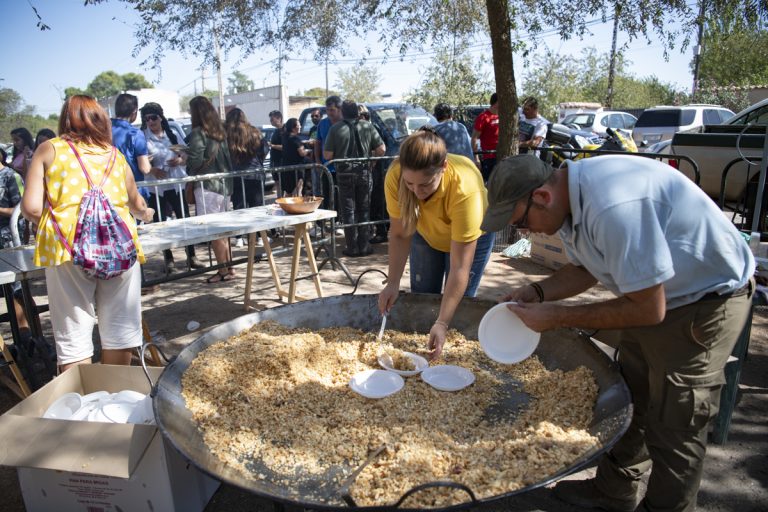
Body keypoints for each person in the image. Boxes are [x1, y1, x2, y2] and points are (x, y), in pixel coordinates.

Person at [480, 154, 755, 512]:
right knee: (634, 394)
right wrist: (538, 293)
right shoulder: (568, 201)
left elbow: (648, 310)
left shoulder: (613, 207)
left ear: (542, 197)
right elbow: (587, 268)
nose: (524, 233)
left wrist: (558, 317)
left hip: (705, 299)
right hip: (657, 294)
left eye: (520, 223)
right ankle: (614, 492)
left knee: (675, 422)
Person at [21, 95, 155, 372]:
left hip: (67, 247)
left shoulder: (49, 149)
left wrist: (60, 221)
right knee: (120, 326)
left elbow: (31, 208)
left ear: (65, 119)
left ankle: (81, 405)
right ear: (101, 121)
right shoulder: (114, 155)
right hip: (120, 247)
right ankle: (115, 396)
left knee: (74, 332)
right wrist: (146, 214)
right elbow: (138, 205)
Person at [377, 130, 495, 359]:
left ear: (443, 166)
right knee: (423, 294)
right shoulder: (395, 175)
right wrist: (392, 283)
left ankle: (452, 353)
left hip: (470, 238)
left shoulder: (465, 188)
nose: (417, 192)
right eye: (410, 183)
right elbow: (400, 234)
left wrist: (442, 321)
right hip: (426, 230)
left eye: (426, 185)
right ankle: (420, 352)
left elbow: (460, 267)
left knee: (458, 304)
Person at [140, 102, 204, 272]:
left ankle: (191, 256)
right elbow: (139, 161)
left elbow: (186, 154)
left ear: (160, 117)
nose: (151, 121)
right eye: (147, 119)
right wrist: (152, 168)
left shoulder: (172, 134)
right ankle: (169, 260)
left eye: (153, 117)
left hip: (176, 185)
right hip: (156, 188)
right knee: (160, 224)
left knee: (183, 220)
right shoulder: (142, 136)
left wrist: (180, 160)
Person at [324, 100, 385, 257]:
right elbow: (381, 149)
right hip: (364, 172)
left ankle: (352, 247)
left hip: (344, 173)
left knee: (348, 211)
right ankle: (364, 246)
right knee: (364, 208)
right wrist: (372, 162)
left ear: (342, 112)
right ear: (357, 112)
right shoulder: (367, 126)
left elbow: (327, 155)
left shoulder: (335, 128)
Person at [186, 95, 235, 284]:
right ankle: (228, 267)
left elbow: (195, 162)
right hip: (224, 186)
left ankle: (222, 270)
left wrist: (185, 159)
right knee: (223, 231)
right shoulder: (220, 131)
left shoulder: (199, 133)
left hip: (208, 187)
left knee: (214, 231)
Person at [0, 147, 37, 345]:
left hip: (8, 240)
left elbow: (21, 208)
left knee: (17, 290)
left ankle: (29, 336)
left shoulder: (10, 176)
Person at [110, 93, 151, 199]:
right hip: (133, 192)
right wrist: (148, 160)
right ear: (134, 112)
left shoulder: (101, 130)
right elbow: (145, 168)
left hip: (109, 191)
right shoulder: (135, 133)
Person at [315, 96, 343, 214]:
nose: (329, 113)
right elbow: (318, 142)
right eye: (327, 110)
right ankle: (328, 221)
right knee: (326, 194)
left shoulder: (345, 123)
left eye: (332, 110)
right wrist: (317, 161)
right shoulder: (323, 123)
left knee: (340, 196)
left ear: (339, 109)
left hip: (343, 167)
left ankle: (339, 221)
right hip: (326, 167)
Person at [471, 92, 499, 182]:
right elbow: (474, 138)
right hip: (489, 157)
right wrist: (476, 158)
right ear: (496, 103)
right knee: (489, 183)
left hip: (503, 155)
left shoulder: (504, 116)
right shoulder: (483, 117)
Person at [281, 117, 310, 195]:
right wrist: (308, 151)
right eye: (299, 125)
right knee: (297, 192)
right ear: (293, 128)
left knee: (289, 193)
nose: (300, 126)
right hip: (297, 169)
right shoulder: (295, 138)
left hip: (286, 168)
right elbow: (302, 153)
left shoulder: (285, 137)